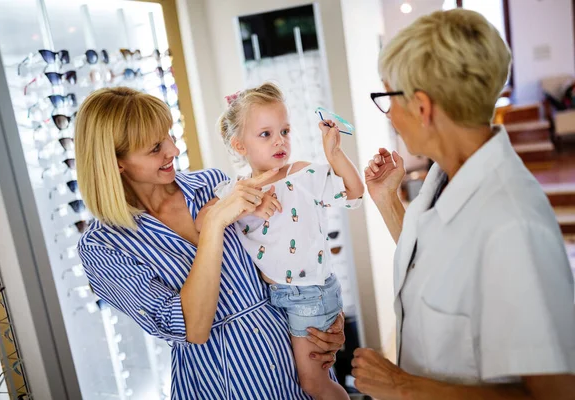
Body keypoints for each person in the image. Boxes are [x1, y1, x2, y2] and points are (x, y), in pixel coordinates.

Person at [352, 9, 575, 400]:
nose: (389, 117)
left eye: (388, 98)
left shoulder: (512, 226)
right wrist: (388, 201)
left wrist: (402, 387)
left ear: (422, 107)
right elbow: (438, 259)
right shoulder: (446, 176)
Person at [74, 87, 346, 400]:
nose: (173, 152)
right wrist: (215, 223)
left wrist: (325, 315)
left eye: (169, 136)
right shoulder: (103, 247)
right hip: (221, 386)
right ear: (116, 162)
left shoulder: (212, 184)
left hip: (295, 373)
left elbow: (289, 249)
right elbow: (192, 328)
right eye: (154, 148)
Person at [194, 83, 364, 399]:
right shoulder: (235, 191)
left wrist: (335, 154)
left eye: (284, 131)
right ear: (239, 145)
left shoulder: (301, 174)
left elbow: (354, 192)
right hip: (272, 300)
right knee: (298, 379)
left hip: (308, 294)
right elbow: (203, 222)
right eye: (266, 134)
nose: (280, 141)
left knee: (314, 382)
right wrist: (247, 203)